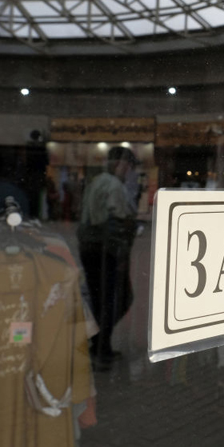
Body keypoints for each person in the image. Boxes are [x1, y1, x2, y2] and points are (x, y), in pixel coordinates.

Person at [78, 146, 138, 370]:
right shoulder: (114, 186)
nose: (128, 171)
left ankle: (99, 345)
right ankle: (100, 349)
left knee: (101, 300)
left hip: (90, 248)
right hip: (106, 251)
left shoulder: (97, 182)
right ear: (121, 164)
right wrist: (120, 255)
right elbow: (116, 223)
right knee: (115, 300)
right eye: (128, 165)